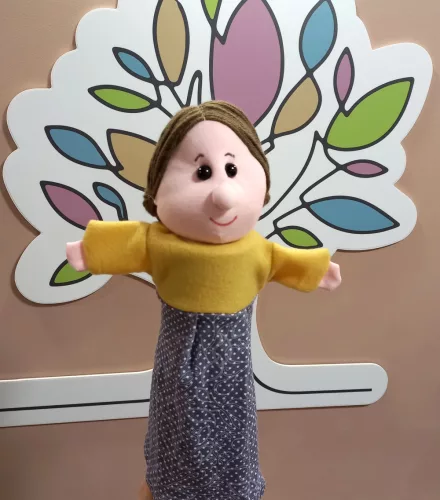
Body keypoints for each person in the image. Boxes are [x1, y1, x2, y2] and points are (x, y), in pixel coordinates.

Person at [66, 101, 341, 499]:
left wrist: (319, 270)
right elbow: (126, 241)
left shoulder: (256, 250)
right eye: (203, 172)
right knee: (174, 435)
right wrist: (88, 251)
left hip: (232, 375)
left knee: (233, 441)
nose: (223, 195)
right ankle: (167, 487)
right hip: (176, 369)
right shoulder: (159, 243)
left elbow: (286, 261)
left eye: (232, 169)